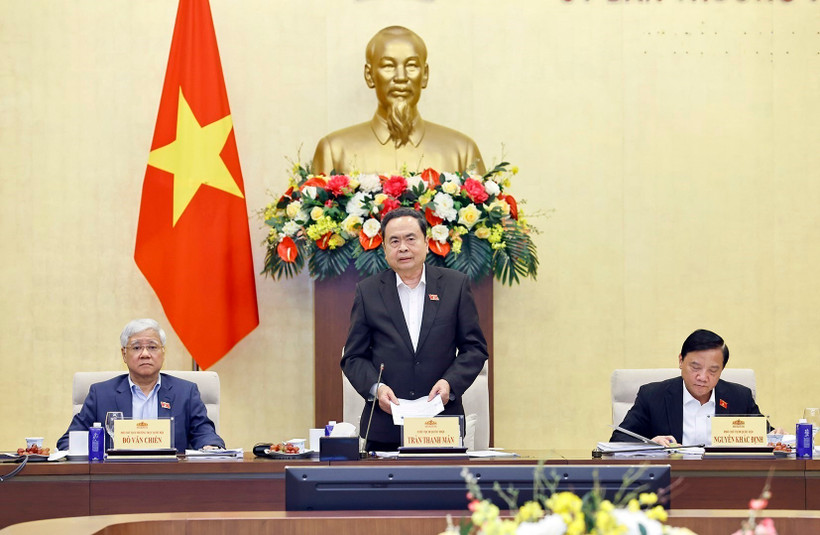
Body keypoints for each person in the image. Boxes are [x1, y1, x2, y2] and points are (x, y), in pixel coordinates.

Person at [341, 207, 489, 450]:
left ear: (426, 242)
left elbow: (474, 349)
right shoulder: (368, 292)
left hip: (441, 425)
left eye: (411, 239)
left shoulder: (455, 286)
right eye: (394, 241)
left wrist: (449, 384)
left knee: (441, 489)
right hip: (385, 428)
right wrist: (376, 389)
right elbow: (353, 357)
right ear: (385, 249)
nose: (403, 248)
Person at [312, 26, 485, 176]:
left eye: (411, 65)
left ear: (425, 75)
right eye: (388, 66)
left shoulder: (462, 152)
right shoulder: (334, 151)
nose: (401, 77)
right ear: (369, 75)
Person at [57, 318, 224, 452]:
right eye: (136, 347)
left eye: (152, 347)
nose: (145, 354)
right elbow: (69, 440)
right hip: (114, 482)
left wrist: (210, 446)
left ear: (163, 353)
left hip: (171, 482)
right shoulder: (101, 394)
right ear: (124, 354)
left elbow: (204, 433)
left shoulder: (186, 392)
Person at [610, 329, 776, 446]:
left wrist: (777, 437)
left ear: (722, 370)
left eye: (713, 370)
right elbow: (619, 439)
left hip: (725, 482)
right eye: (695, 367)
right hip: (670, 482)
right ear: (681, 361)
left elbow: (767, 436)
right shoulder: (653, 396)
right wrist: (651, 444)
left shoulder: (739, 397)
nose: (703, 377)